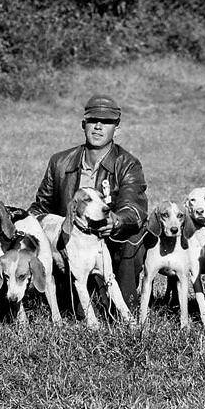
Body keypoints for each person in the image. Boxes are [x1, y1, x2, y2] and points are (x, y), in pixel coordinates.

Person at [28, 94, 148, 308]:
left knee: (133, 235)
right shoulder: (59, 162)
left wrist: (116, 221)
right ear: (84, 124)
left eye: (107, 122)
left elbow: (134, 208)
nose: (99, 127)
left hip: (108, 242)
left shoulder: (128, 164)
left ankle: (123, 304)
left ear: (117, 127)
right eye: (93, 121)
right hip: (69, 243)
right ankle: (62, 295)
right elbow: (40, 207)